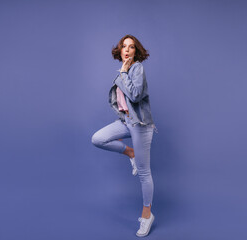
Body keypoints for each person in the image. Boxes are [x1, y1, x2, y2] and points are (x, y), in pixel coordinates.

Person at [91, 34, 158, 237]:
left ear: (136, 51)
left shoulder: (136, 69)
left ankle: (147, 215)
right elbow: (120, 102)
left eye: (131, 47)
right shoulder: (124, 71)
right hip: (126, 123)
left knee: (145, 174)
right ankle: (131, 154)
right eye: (124, 46)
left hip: (140, 126)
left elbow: (135, 95)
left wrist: (123, 72)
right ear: (119, 51)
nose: (127, 50)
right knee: (98, 139)